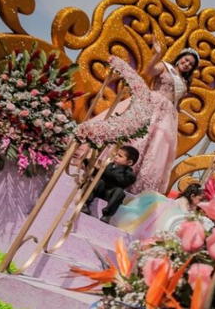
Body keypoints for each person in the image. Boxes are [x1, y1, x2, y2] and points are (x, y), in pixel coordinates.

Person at [78, 43, 199, 195]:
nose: (187, 64)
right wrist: (157, 55)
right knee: (137, 135)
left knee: (154, 148)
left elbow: (177, 102)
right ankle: (104, 168)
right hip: (151, 103)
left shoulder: (185, 83)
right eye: (186, 60)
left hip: (167, 115)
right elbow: (149, 72)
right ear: (180, 58)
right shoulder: (165, 67)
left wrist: (179, 109)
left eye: (191, 64)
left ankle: (132, 182)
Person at [109, 181, 209, 239]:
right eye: (200, 199)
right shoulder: (183, 201)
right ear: (192, 196)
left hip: (173, 219)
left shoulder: (193, 206)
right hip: (166, 215)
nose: (201, 202)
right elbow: (184, 214)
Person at [84, 145, 139, 222]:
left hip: (110, 194)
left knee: (120, 192)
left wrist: (106, 171)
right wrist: (89, 164)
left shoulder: (129, 174)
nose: (116, 157)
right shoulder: (109, 165)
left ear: (129, 162)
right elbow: (99, 174)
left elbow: (121, 181)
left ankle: (107, 214)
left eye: (120, 156)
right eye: (116, 154)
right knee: (98, 182)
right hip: (101, 188)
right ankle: (85, 203)